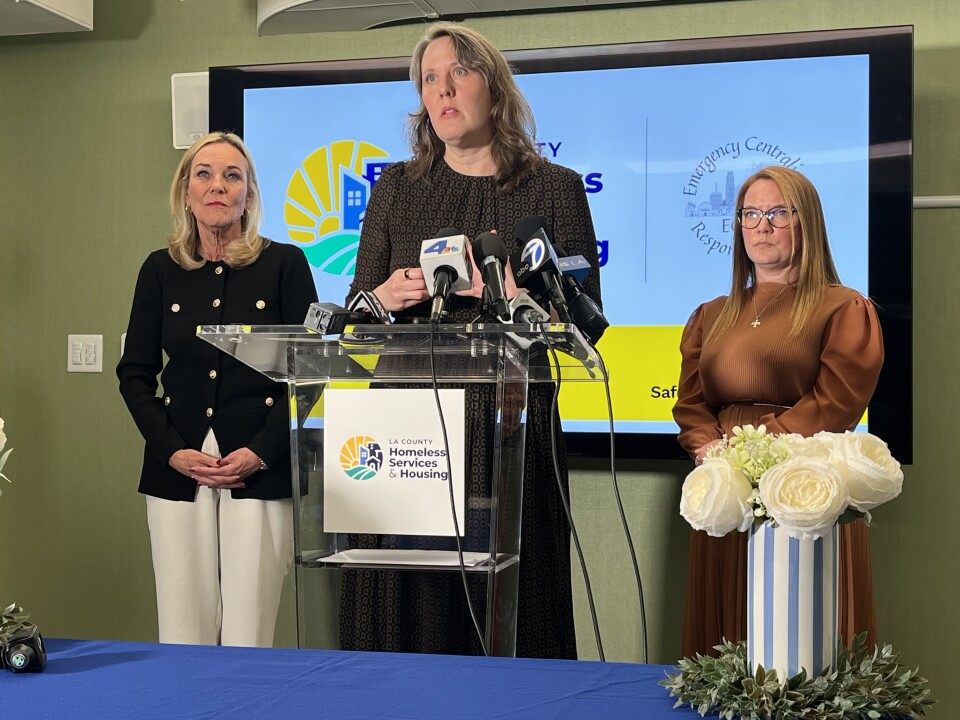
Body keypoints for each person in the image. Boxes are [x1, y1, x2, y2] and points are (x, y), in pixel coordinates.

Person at [341, 21, 602, 658]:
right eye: (430, 79)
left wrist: (518, 297)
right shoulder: (396, 190)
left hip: (508, 421)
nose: (442, 89)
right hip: (407, 427)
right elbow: (354, 319)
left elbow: (588, 322)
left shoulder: (554, 188)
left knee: (507, 605)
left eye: (458, 72)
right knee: (415, 607)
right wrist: (389, 296)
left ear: (494, 88)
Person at [672, 165, 884, 659]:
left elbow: (836, 403)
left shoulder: (844, 307)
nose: (761, 226)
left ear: (806, 222)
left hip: (803, 485)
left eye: (777, 213)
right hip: (725, 492)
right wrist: (713, 454)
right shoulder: (709, 313)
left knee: (802, 644)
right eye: (750, 214)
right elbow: (691, 402)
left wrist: (755, 455)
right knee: (725, 648)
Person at [117, 131, 318, 647]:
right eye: (203, 174)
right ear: (185, 192)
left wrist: (261, 452)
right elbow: (134, 373)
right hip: (177, 465)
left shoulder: (285, 264)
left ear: (248, 194)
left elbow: (311, 373)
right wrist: (171, 452)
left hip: (258, 465)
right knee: (182, 626)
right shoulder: (158, 271)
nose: (217, 186)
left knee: (250, 629)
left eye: (233, 176)